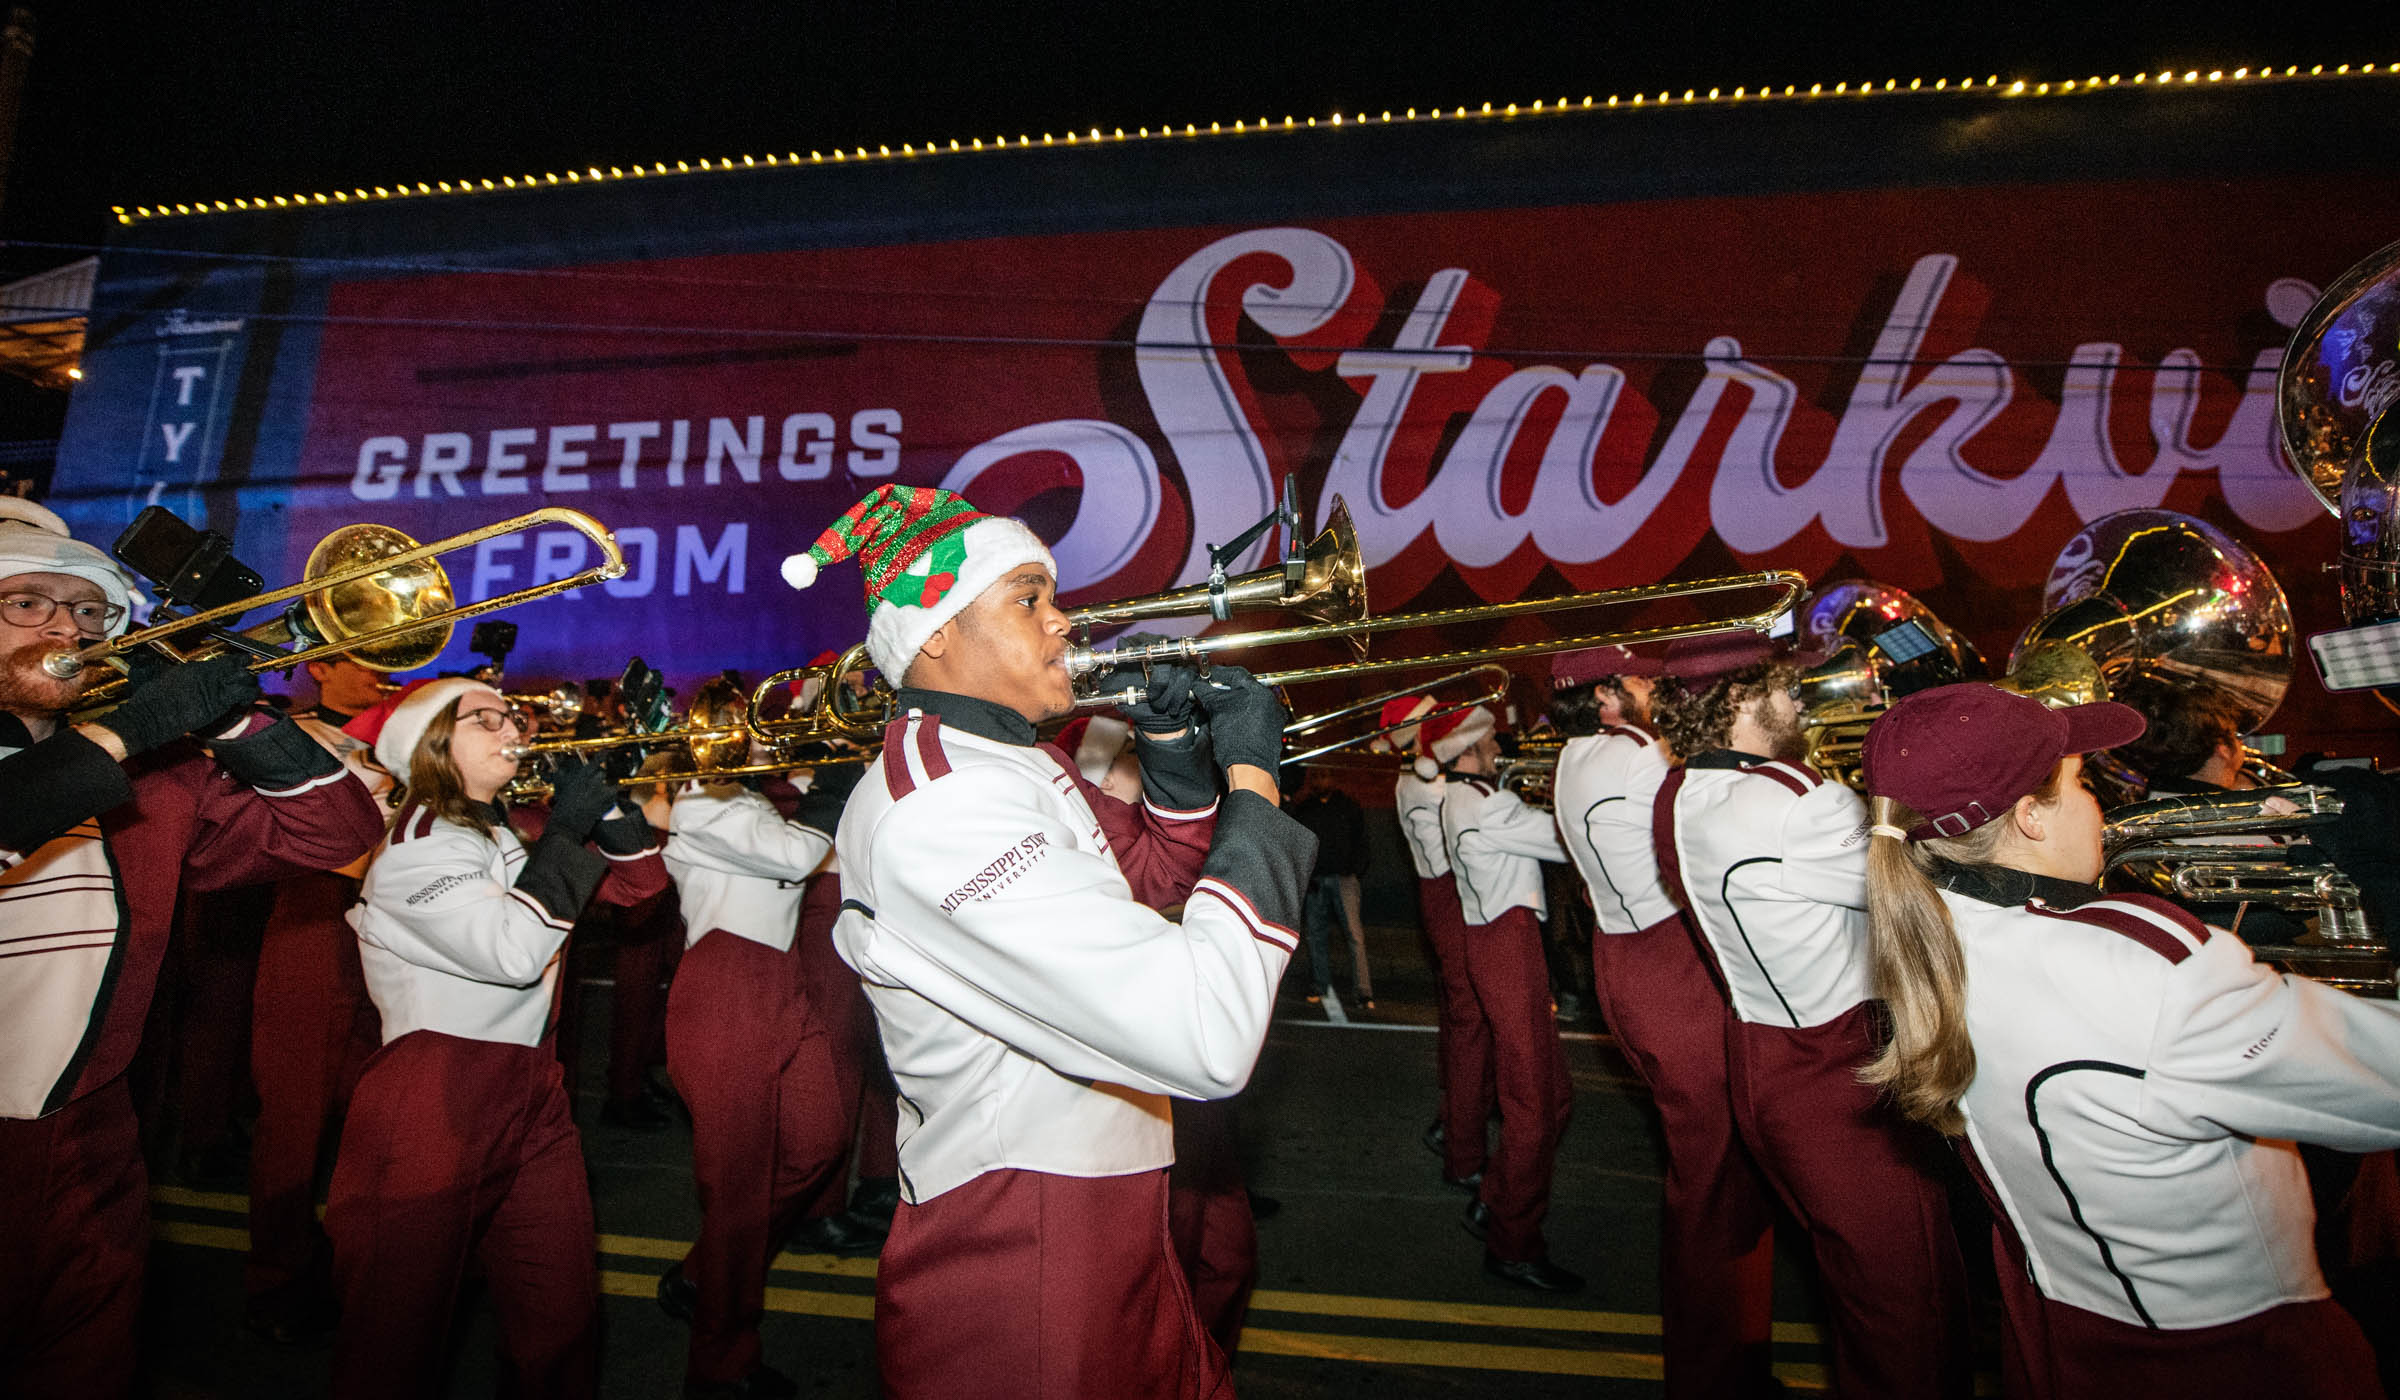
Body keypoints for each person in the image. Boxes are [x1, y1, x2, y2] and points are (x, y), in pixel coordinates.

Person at [778, 484, 1310, 1398]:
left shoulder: (1014, 758)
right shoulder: (945, 802)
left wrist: (1179, 765)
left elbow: (1145, 898)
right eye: (1029, 599)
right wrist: (1253, 781)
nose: (1065, 624)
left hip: (1104, 1184)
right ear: (935, 629)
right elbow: (1204, 1034)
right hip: (1027, 1230)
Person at [1858, 682, 2400, 1398]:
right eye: (2083, 785)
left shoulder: (1925, 936)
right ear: (2030, 818)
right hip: (2228, 1357)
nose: (2101, 808)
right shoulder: (2152, 966)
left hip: (2051, 1330)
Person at [0, 498, 384, 1397]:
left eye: (90, 608)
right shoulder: (112, 752)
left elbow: (333, 831)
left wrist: (232, 721)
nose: (68, 624)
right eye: (28, 602)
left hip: (93, 1140)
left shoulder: (147, 780)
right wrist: (129, 727)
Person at [326, 677, 668, 1400]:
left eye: (513, 714)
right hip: (432, 1098)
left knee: (561, 1317)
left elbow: (641, 890)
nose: (512, 725)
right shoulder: (416, 846)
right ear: (433, 747)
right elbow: (512, 954)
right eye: (483, 718)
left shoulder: (504, 834)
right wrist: (570, 831)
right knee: (395, 1338)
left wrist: (606, 807)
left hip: (530, 1094)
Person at [1650, 631, 1968, 1398]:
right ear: (1736, 702)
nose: (1802, 699)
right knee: (1909, 1313)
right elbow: (1920, 890)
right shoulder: (1796, 799)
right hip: (1838, 1072)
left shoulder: (1681, 790)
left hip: (1763, 1060)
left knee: (1860, 1296)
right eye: (1784, 689)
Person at [1550, 643, 1777, 1396]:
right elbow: (1703, 826)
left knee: (1710, 1175)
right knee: (1717, 1184)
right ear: (1609, 694)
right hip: (1668, 963)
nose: (1656, 689)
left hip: (1623, 959)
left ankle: (1725, 1357)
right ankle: (1719, 1369)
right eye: (1643, 679)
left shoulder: (1572, 755)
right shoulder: (1638, 749)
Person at [647, 679, 860, 1400]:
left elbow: (796, 825)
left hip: (778, 978)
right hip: (728, 984)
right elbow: (799, 854)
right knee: (738, 1191)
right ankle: (718, 1364)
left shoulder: (746, 799)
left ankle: (706, 1272)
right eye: (743, 727)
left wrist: (826, 758)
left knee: (819, 1142)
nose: (760, 733)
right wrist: (834, 775)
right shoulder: (701, 803)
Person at [242, 652, 397, 1344]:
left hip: (395, 933)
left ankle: (360, 1261)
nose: (383, 675)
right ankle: (277, 1275)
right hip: (313, 919)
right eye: (368, 661)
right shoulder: (287, 736)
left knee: (377, 1113)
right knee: (294, 1113)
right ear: (324, 666)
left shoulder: (404, 738)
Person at [1428, 703, 1582, 1292]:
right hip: (1506, 946)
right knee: (1533, 1105)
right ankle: (1514, 1242)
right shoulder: (1488, 806)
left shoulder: (1468, 799)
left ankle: (1494, 1200)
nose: (1500, 746)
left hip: (1498, 942)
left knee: (1551, 1095)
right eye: (1489, 739)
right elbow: (1572, 841)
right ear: (1467, 751)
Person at [1384, 694, 1493, 1191]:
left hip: (1439, 896)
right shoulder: (1433, 788)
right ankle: (1463, 1148)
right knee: (1470, 1023)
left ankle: (1453, 1120)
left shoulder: (1415, 780)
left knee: (1459, 1019)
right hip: (1453, 897)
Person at [1287, 767, 1375, 1010]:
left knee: (1354, 935)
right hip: (1316, 880)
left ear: (1333, 779)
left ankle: (1364, 992)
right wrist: (1306, 875)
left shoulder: (1348, 806)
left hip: (1344, 878)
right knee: (1316, 935)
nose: (1320, 780)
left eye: (1324, 776)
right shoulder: (1304, 809)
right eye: (1315, 776)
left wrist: (1355, 869)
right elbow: (1298, 845)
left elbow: (1362, 840)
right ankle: (1320, 985)